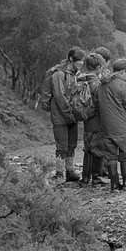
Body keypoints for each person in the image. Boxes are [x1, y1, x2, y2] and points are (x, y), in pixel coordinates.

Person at [38, 46, 86, 181]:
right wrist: (69, 114)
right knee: (62, 146)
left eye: (82, 61)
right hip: (60, 116)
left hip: (71, 116)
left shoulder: (74, 74)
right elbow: (59, 96)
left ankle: (70, 171)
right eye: (79, 61)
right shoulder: (59, 74)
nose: (82, 63)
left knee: (72, 144)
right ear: (71, 59)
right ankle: (59, 173)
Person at [97, 57, 126, 190]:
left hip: (106, 127)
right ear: (122, 72)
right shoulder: (122, 85)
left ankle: (114, 184)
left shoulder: (102, 84)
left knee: (111, 157)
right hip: (121, 128)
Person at [78, 52, 107, 185]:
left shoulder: (81, 79)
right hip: (96, 119)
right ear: (98, 67)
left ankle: (85, 177)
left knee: (88, 147)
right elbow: (100, 102)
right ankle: (95, 176)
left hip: (86, 118)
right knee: (98, 147)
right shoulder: (96, 83)